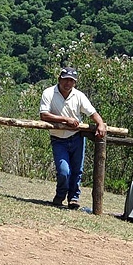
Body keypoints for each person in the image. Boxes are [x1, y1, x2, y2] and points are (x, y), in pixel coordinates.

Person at [39, 66, 106, 209]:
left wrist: (100, 124)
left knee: (77, 170)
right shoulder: (49, 93)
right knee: (64, 171)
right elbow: (44, 115)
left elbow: (92, 112)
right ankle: (60, 195)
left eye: (71, 81)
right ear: (59, 79)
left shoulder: (79, 96)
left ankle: (73, 198)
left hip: (76, 137)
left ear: (75, 83)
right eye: (66, 80)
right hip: (58, 139)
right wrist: (65, 119)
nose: (68, 83)